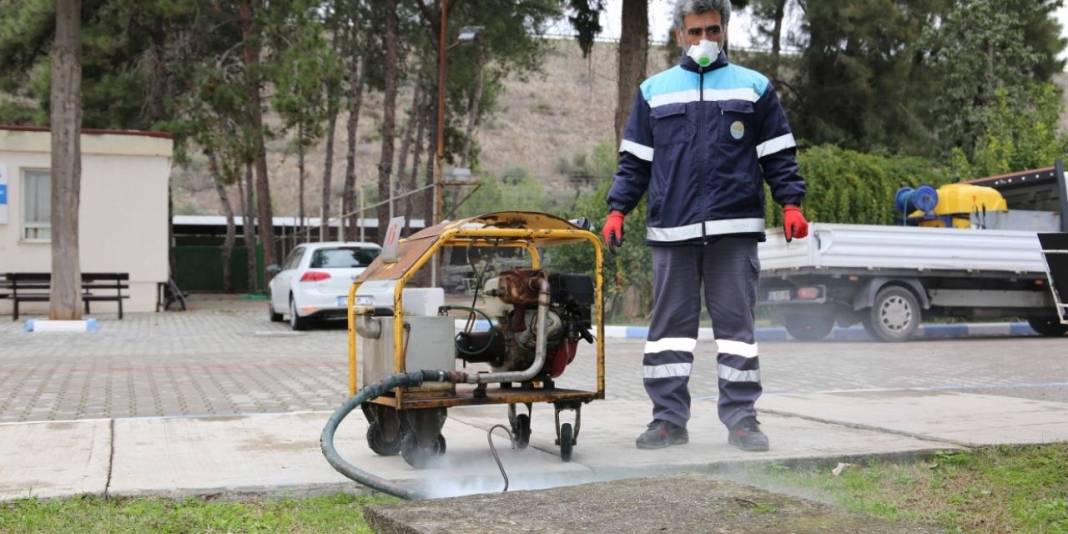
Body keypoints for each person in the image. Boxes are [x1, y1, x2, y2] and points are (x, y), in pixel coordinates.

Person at [602, 0, 809, 452]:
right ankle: (667, 421)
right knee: (669, 333)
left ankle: (742, 421)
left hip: (733, 230)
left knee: (737, 331)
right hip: (672, 231)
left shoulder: (754, 88)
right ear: (679, 35)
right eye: (695, 32)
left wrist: (791, 203)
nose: (704, 41)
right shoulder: (654, 91)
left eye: (712, 31)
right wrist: (618, 209)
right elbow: (634, 163)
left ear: (724, 33)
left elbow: (778, 154)